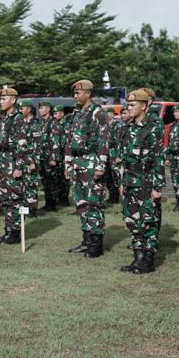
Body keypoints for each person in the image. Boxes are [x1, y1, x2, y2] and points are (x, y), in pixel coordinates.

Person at [118, 88, 165, 274]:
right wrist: (123, 182)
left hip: (146, 182)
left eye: (132, 105)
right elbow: (125, 158)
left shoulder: (153, 126)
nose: (128, 108)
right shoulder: (129, 128)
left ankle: (148, 261)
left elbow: (158, 158)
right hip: (130, 181)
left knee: (148, 222)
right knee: (132, 221)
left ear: (144, 106)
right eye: (127, 105)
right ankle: (137, 258)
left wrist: (157, 186)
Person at [64, 79, 110, 258]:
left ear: (88, 94)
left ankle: (96, 244)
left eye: (78, 93)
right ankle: (86, 240)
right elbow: (69, 141)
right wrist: (67, 163)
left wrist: (100, 166)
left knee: (94, 203)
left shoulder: (97, 113)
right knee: (81, 203)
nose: (75, 96)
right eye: (74, 93)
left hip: (91, 163)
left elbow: (104, 140)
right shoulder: (76, 114)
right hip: (77, 163)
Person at [0, 87, 27, 244]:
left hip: (12, 162)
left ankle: (15, 231)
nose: (1, 101)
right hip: (2, 162)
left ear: (13, 100)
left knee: (14, 197)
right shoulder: (2, 117)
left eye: (4, 99)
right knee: (5, 198)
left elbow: (22, 145)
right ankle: (8, 230)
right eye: (0, 99)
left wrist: (19, 167)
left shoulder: (17, 118)